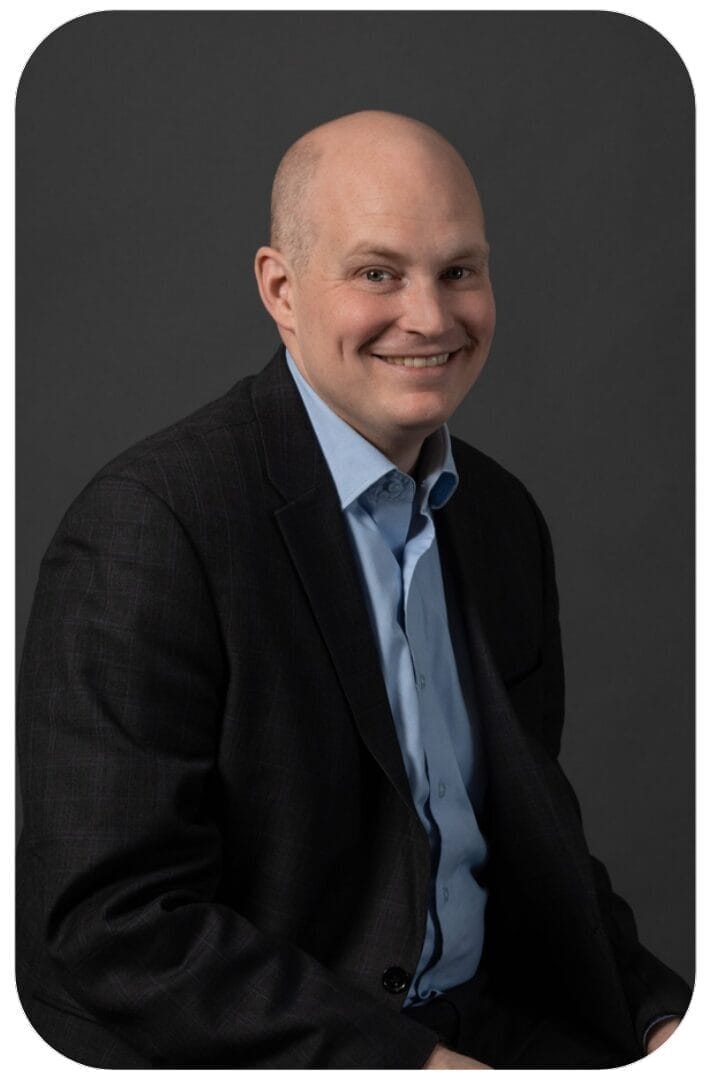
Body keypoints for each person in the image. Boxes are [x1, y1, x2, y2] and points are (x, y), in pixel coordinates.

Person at [16, 110, 690, 1069]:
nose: (431, 316)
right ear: (282, 291)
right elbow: (107, 924)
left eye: (460, 270)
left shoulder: (499, 520)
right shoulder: (150, 526)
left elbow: (529, 848)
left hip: (485, 1022)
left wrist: (659, 1021)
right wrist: (404, 1064)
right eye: (379, 273)